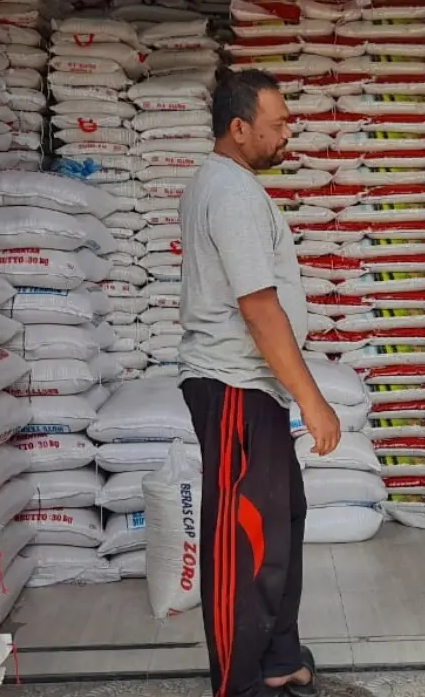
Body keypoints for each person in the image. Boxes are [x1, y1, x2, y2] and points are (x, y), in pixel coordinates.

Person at [178, 68, 340, 697]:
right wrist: (312, 401)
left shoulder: (233, 186)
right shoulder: (232, 193)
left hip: (252, 387)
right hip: (233, 387)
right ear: (239, 128)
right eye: (278, 124)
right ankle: (237, 683)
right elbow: (259, 307)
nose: (288, 134)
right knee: (243, 541)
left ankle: (278, 657)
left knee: (280, 523)